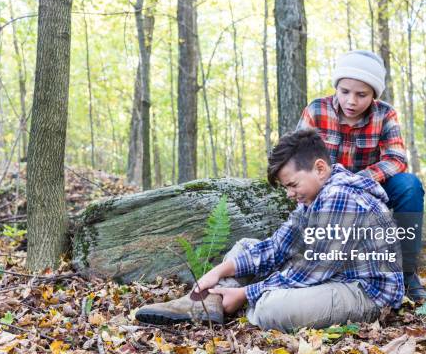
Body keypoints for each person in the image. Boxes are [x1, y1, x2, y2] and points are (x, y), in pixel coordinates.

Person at [135, 130, 404, 332]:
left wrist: (246, 294)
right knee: (244, 248)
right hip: (335, 277)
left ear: (320, 168)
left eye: (292, 184)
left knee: (269, 307)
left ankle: (221, 302)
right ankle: (203, 303)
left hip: (367, 294)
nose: (289, 194)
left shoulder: (339, 196)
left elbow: (311, 271)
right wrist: (220, 271)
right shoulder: (314, 197)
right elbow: (277, 247)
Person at [296, 49, 426, 301]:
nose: (351, 101)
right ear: (337, 87)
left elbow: (396, 158)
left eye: (361, 95)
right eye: (345, 92)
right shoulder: (316, 110)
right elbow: (298, 158)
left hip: (371, 188)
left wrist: (360, 181)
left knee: (409, 185)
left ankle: (407, 273)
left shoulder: (384, 114)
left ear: (374, 95)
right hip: (327, 193)